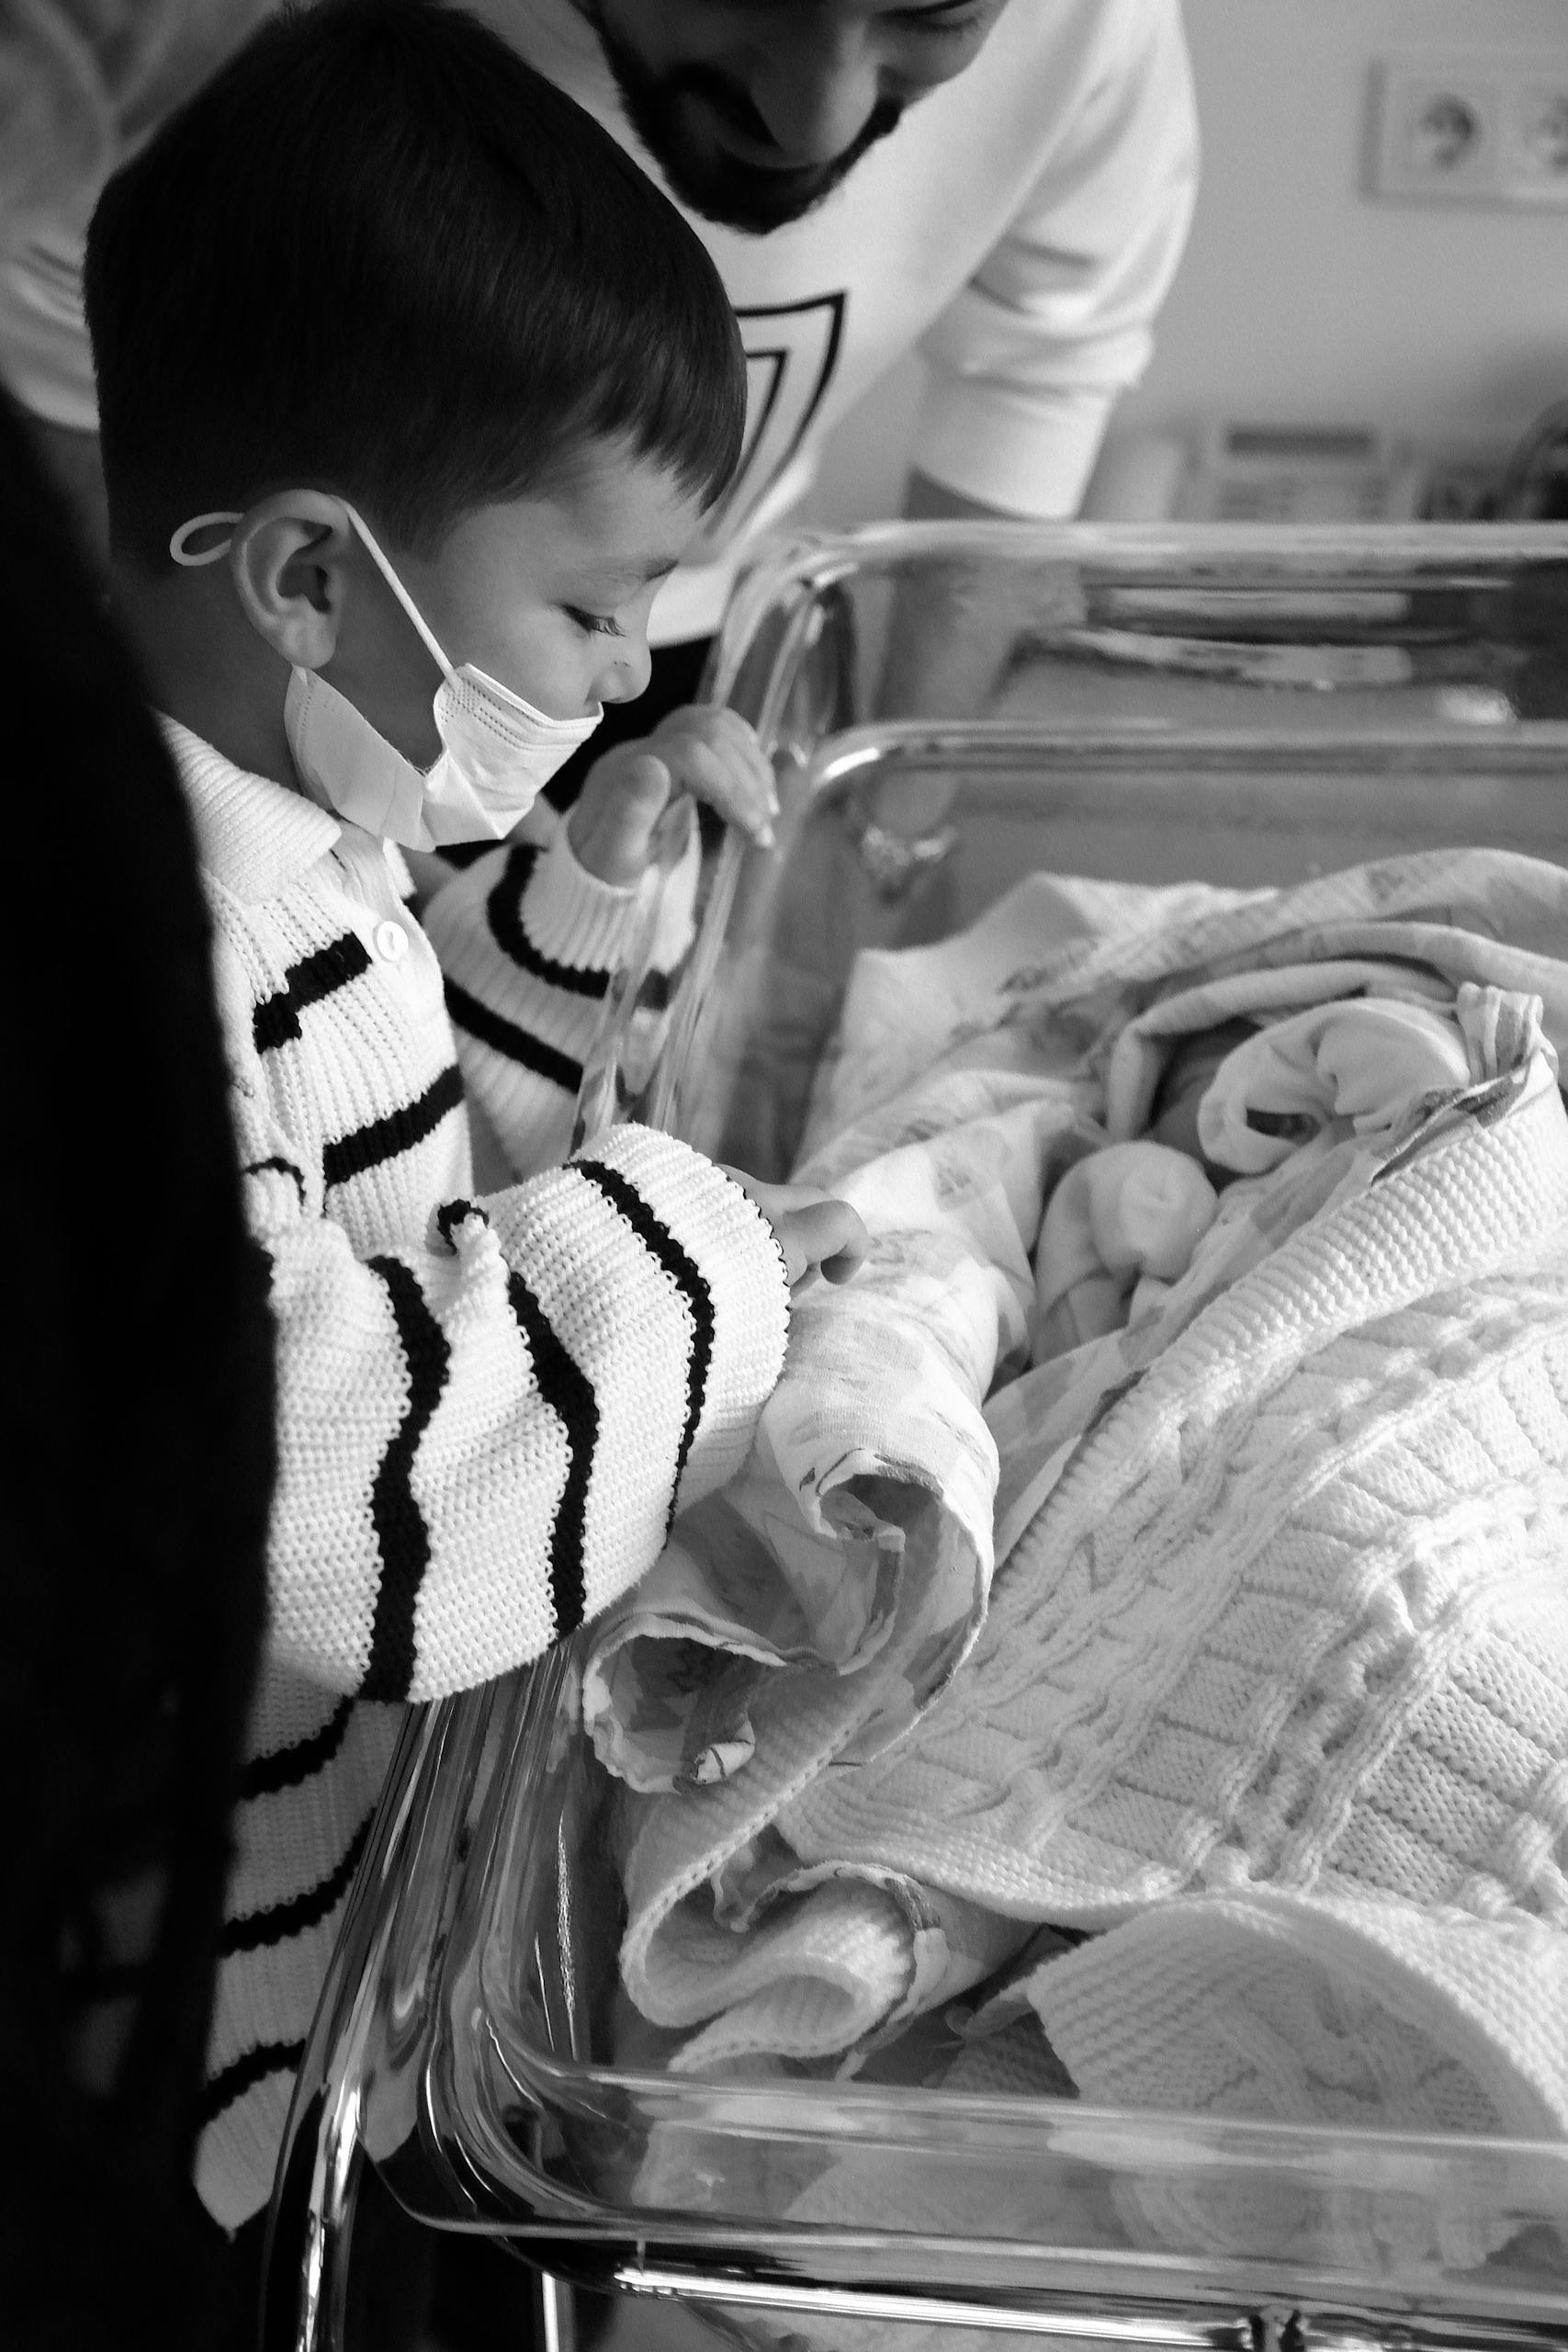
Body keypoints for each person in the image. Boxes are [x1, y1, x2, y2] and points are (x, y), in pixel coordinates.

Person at [83, 0, 866, 2278]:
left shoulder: (293, 837)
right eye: (591, 608)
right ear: (311, 579)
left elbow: (399, 1176)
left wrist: (575, 898)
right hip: (162, 2053)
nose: (625, 670)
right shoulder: (117, 941)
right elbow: (335, 1478)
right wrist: (701, 1260)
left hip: (325, 1933)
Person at [4, 0, 1198, 760]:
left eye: (932, 14)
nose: (815, 122)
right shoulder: (151, 32)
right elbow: (77, 389)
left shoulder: (1096, 31)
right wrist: (248, 780)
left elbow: (1040, 374)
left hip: (685, 660)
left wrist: (882, 832)